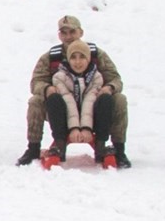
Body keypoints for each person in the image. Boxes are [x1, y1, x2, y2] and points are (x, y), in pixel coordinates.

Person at [17, 16, 131, 167]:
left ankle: (119, 150)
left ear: (81, 32)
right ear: (59, 35)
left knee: (120, 99)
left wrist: (108, 88)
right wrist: (47, 89)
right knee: (35, 101)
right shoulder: (51, 57)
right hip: (60, 109)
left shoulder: (96, 54)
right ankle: (33, 148)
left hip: (95, 107)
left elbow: (115, 79)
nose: (68, 36)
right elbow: (36, 82)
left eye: (72, 32)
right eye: (64, 33)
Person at [44, 40, 114, 163]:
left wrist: (86, 128)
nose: (77, 62)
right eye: (73, 57)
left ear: (88, 59)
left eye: (82, 57)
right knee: (54, 99)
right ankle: (60, 145)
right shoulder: (59, 77)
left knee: (106, 99)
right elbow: (68, 101)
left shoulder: (96, 77)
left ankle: (100, 146)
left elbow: (89, 101)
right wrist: (74, 128)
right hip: (66, 117)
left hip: (91, 116)